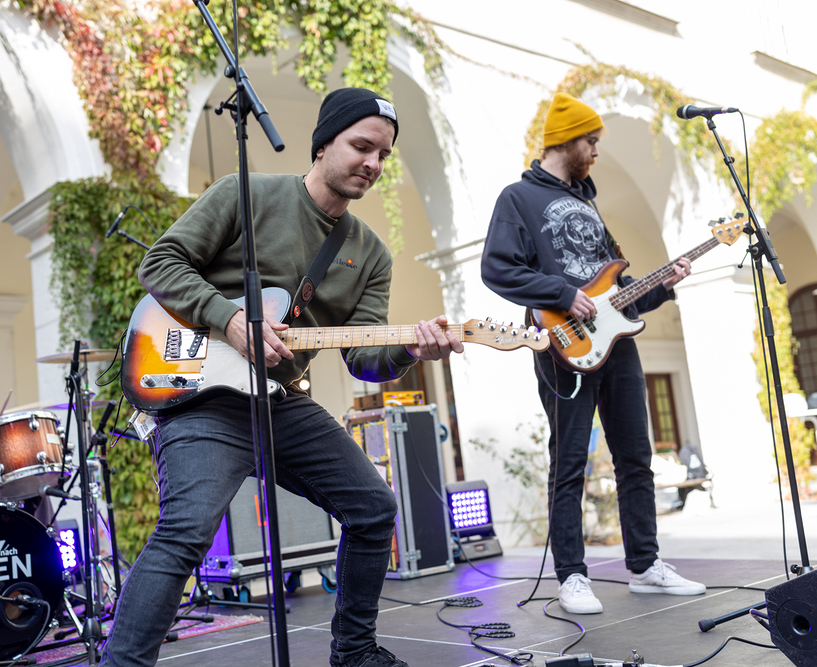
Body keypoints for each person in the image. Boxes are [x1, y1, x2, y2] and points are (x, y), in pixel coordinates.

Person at [101, 88, 463, 667]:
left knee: (374, 508)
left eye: (383, 155)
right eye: (362, 146)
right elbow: (160, 264)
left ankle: (353, 653)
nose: (372, 163)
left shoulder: (371, 254)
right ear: (323, 145)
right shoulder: (244, 195)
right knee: (187, 530)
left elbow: (363, 357)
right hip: (201, 397)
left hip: (281, 401)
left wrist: (410, 350)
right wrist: (231, 320)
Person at [480, 93, 705, 614]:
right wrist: (561, 294)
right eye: (592, 141)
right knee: (570, 464)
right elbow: (497, 268)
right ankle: (572, 577)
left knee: (636, 458)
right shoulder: (518, 198)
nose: (597, 151)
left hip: (616, 347)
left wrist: (662, 285)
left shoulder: (588, 203)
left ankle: (645, 566)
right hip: (562, 345)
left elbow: (616, 293)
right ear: (565, 140)